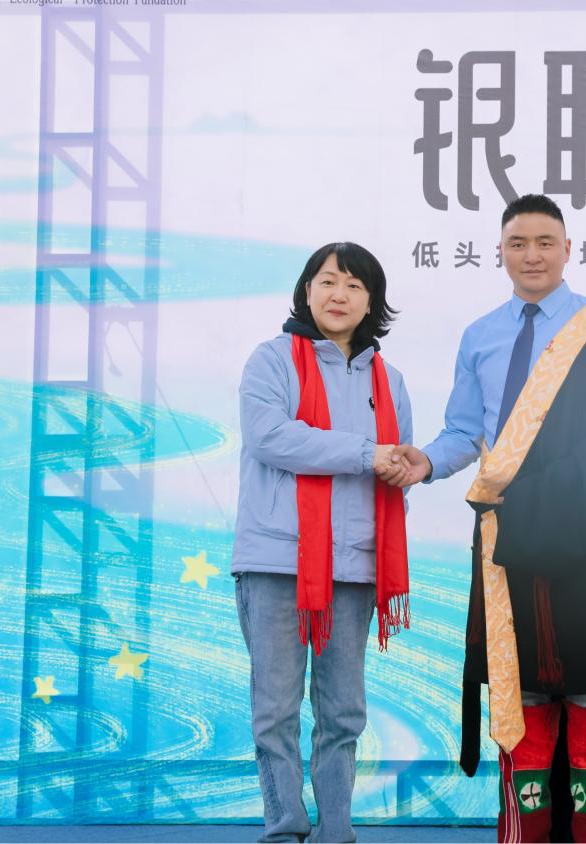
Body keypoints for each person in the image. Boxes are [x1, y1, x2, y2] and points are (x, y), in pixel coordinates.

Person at [396, 194, 586, 843]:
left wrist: (553, 487)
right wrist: (426, 462)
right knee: (525, 692)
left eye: (545, 242)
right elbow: (466, 431)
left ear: (568, 250)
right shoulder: (480, 335)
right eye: (519, 243)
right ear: (501, 252)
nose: (532, 255)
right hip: (508, 538)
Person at [231, 242, 413, 843]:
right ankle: (285, 828)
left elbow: (395, 468)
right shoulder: (271, 360)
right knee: (275, 711)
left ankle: (338, 831)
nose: (340, 295)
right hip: (277, 560)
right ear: (306, 290)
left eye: (355, 285)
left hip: (354, 569)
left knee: (343, 714)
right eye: (328, 281)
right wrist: (365, 454)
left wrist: (401, 467)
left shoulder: (390, 380)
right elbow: (270, 438)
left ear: (372, 301)